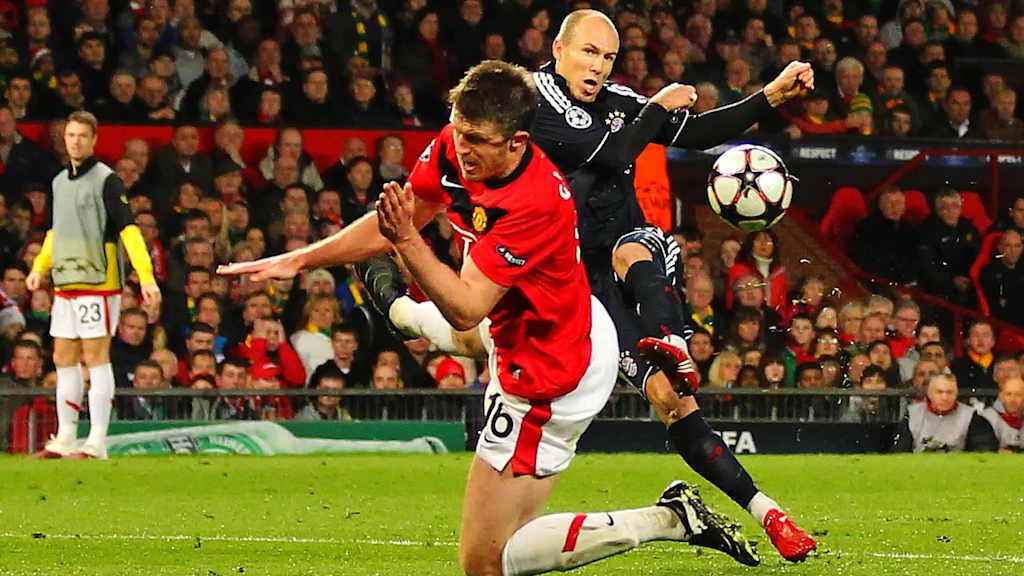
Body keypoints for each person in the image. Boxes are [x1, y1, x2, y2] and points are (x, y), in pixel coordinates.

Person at [221, 60, 757, 575]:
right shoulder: (460, 148)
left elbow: (464, 304)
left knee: (484, 561)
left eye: (476, 140)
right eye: (458, 132)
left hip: (546, 373)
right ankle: (401, 311)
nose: (461, 148)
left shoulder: (537, 201)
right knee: (472, 349)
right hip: (549, 329)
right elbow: (406, 214)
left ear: (518, 143)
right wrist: (303, 257)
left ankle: (668, 519)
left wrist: (406, 240)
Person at [26, 111, 162, 459]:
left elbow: (128, 229)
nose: (75, 141)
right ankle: (66, 437)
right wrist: (40, 268)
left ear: (94, 139)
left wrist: (145, 277)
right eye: (70, 135)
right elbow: (55, 232)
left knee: (96, 358)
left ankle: (97, 441)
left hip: (99, 281)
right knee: (62, 357)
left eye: (82, 136)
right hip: (67, 283)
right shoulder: (58, 182)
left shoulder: (107, 180)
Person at [894, 373, 998, 452]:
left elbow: (982, 450)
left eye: (949, 392)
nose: (945, 397)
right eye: (939, 392)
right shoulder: (912, 414)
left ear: (956, 393)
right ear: (929, 394)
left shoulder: (971, 417)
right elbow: (900, 452)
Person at [980, 376, 1023, 452]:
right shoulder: (985, 418)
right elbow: (982, 449)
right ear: (1001, 396)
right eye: (1008, 394)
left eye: (1018, 394)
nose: (1013, 399)